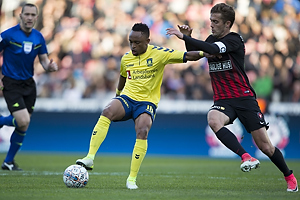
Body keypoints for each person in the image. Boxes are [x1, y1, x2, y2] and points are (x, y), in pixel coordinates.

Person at [166, 3, 298, 192]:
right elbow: (197, 54)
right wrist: (188, 41)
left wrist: (188, 37)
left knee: (266, 147)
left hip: (243, 99)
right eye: (210, 20)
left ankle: (289, 176)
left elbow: (212, 49)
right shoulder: (211, 40)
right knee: (213, 118)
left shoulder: (234, 40)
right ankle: (246, 157)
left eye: (216, 21)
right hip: (223, 100)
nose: (211, 24)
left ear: (227, 24)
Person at [76, 22, 202, 189]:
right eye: (131, 42)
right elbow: (122, 77)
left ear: (147, 41)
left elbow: (190, 56)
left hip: (146, 103)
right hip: (127, 98)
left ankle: (131, 179)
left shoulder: (160, 54)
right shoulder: (126, 58)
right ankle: (90, 157)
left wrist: (204, 50)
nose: (133, 46)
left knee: (142, 130)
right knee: (107, 110)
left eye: (137, 43)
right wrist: (117, 95)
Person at [0, 3, 58, 171]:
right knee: (22, 120)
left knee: (23, 125)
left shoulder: (38, 37)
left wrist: (50, 67)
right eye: (27, 14)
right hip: (11, 83)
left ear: (36, 18)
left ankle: (8, 162)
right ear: (21, 15)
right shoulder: (9, 35)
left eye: (33, 15)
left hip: (29, 85)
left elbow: (44, 61)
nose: (30, 18)